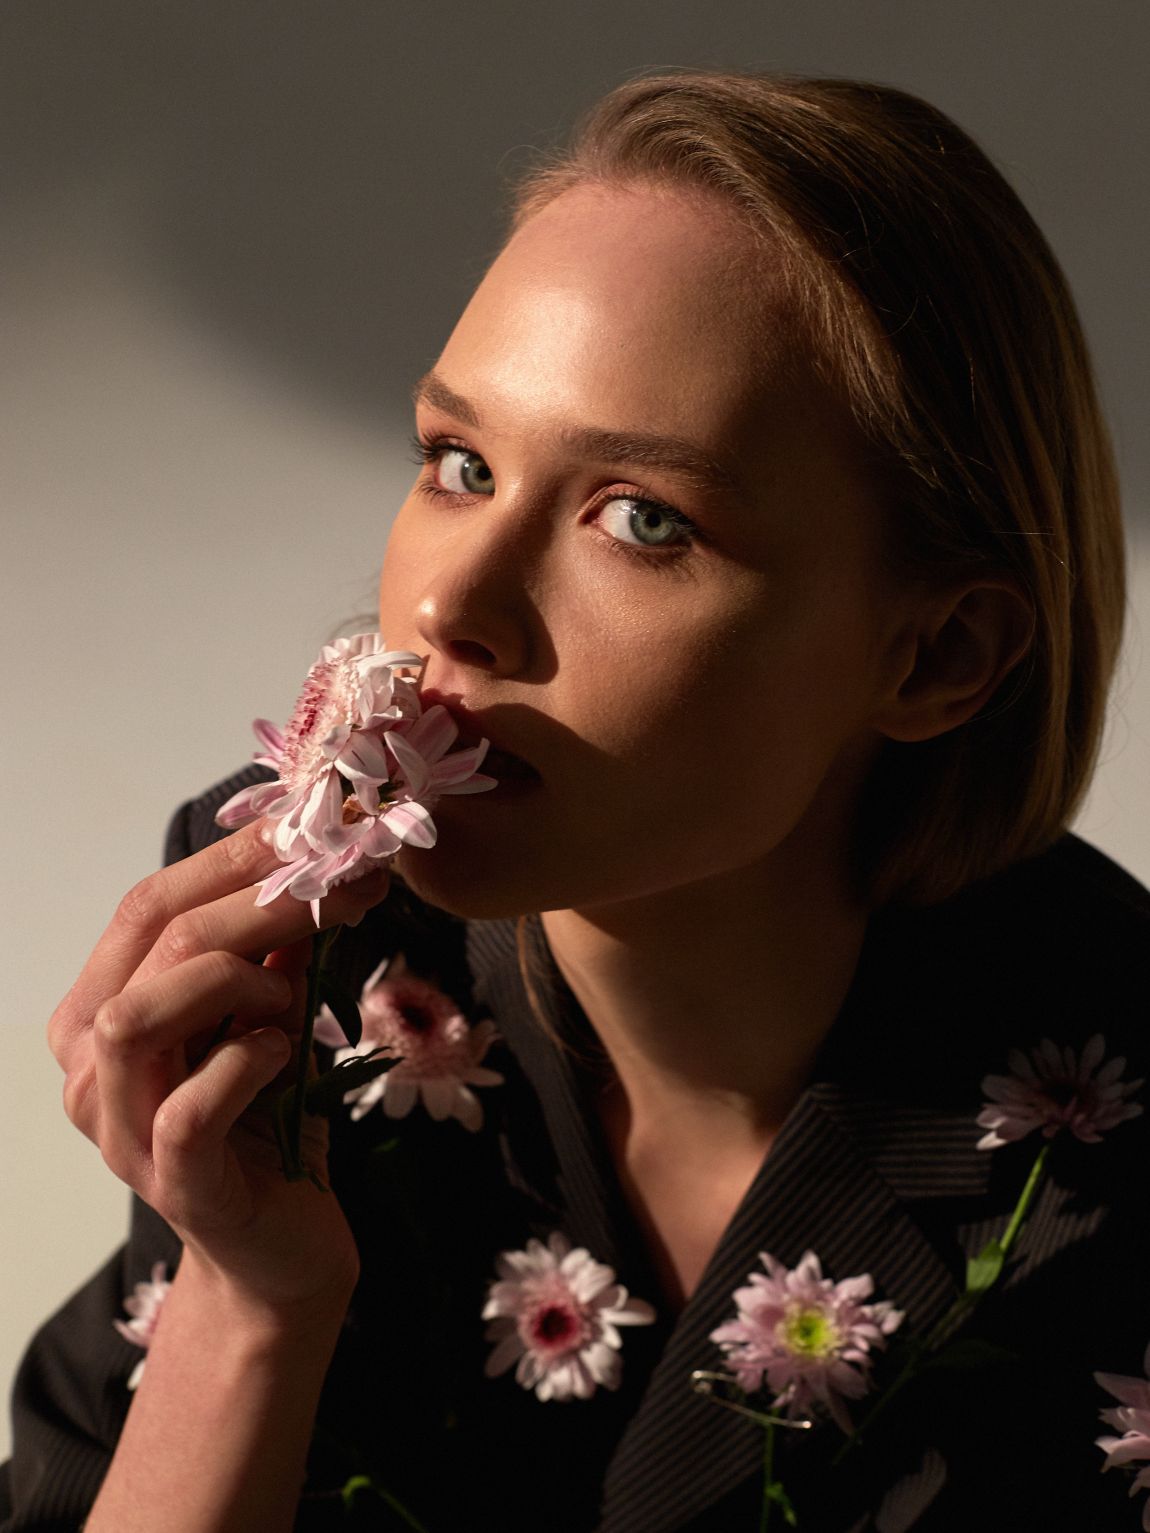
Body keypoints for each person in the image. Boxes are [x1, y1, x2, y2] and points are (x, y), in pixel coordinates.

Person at [3, 71, 1148, 1533]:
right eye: (459, 463)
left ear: (938, 655)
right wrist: (245, 1303)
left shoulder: (1106, 1142)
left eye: (643, 519)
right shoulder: (315, 974)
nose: (451, 605)